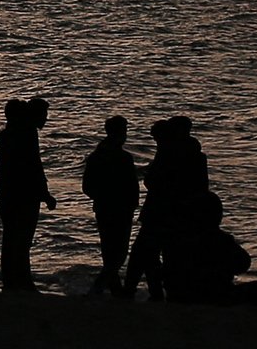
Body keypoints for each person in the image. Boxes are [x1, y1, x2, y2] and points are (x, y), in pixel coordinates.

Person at [125, 116, 210, 299]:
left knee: (144, 253)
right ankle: (162, 292)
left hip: (160, 211)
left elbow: (154, 181)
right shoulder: (194, 155)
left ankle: (141, 291)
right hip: (180, 213)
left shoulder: (170, 153)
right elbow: (202, 188)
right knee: (165, 255)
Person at [0, 98, 56, 292]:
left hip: (8, 195)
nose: (46, 119)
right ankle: (22, 282)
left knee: (12, 239)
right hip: (23, 196)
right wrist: (45, 194)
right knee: (22, 240)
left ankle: (11, 281)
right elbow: (33, 167)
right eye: (44, 115)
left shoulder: (9, 136)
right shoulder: (26, 134)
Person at [82, 116, 140, 296]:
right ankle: (100, 286)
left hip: (106, 207)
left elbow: (87, 186)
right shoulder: (121, 157)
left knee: (110, 251)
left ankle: (115, 289)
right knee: (118, 252)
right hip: (118, 208)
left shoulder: (97, 155)